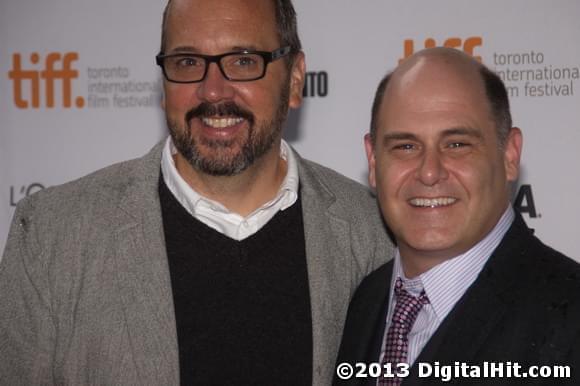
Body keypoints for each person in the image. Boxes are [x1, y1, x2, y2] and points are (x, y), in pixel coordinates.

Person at [0, 0, 393, 384]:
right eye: (187, 62)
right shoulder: (51, 237)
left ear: (294, 78)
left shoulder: (376, 235)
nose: (212, 91)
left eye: (243, 60)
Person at [334, 47, 580, 386]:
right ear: (374, 163)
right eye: (405, 146)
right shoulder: (363, 302)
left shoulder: (569, 316)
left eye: (457, 145)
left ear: (510, 154)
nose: (430, 172)